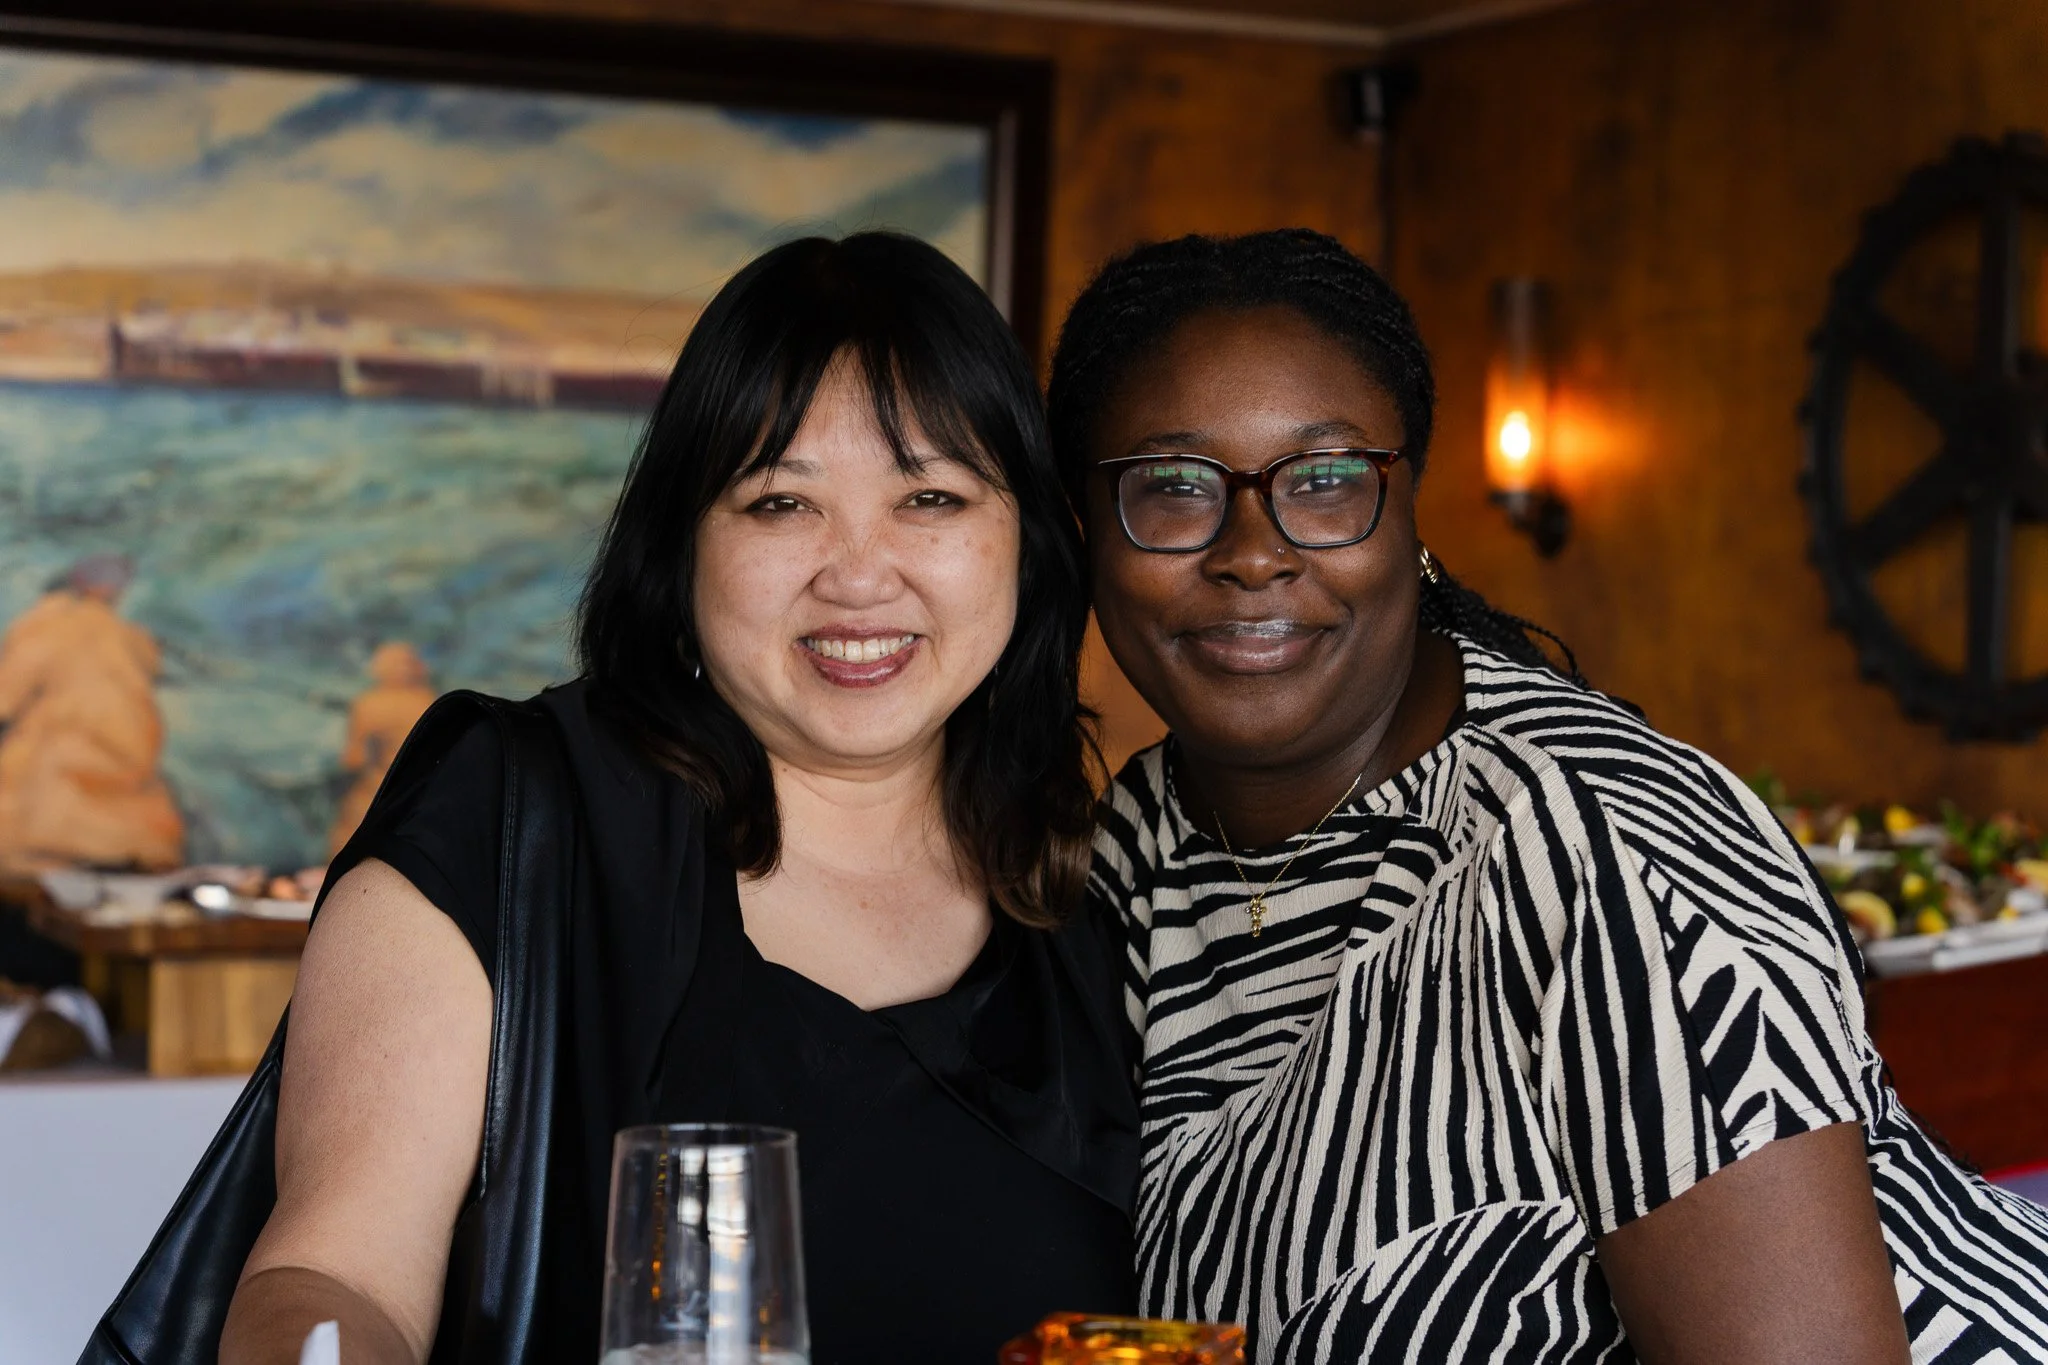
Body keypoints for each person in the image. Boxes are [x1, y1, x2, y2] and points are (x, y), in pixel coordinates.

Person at [1051, 229, 2048, 1364]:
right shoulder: (1132, 852)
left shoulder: (1603, 854)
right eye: (1171, 488)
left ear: (1409, 516)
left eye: (1325, 482)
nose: (1252, 553)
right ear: (1085, 537)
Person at [221, 233, 1138, 1364]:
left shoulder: (1106, 906)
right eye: (779, 504)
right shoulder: (517, 826)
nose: (857, 574)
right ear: (682, 544)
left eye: (930, 497)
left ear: (1026, 546)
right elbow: (338, 1274)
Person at [0, 553, 184, 872]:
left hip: (53, 798)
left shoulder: (47, 626)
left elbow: (6, 697)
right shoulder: (132, 640)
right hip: (131, 807)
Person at [327, 641, 437, 856]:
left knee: (348, 828)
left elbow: (353, 759)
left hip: (379, 791)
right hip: (423, 796)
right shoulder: (429, 700)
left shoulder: (369, 704)